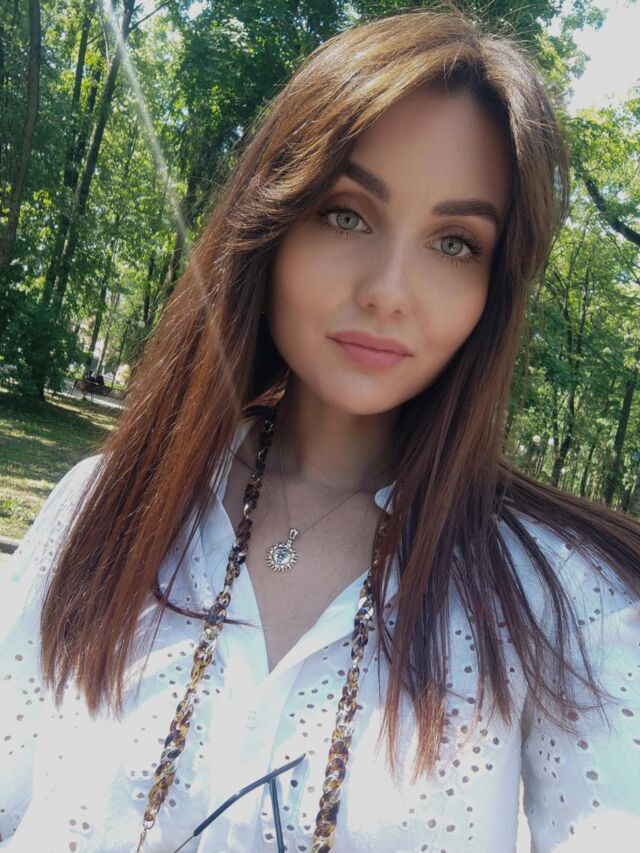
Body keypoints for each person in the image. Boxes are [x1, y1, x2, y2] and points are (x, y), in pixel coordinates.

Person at [1, 8, 639, 853]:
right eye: (346, 214)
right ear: (271, 223)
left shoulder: (564, 602)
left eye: (454, 243)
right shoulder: (104, 509)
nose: (388, 291)